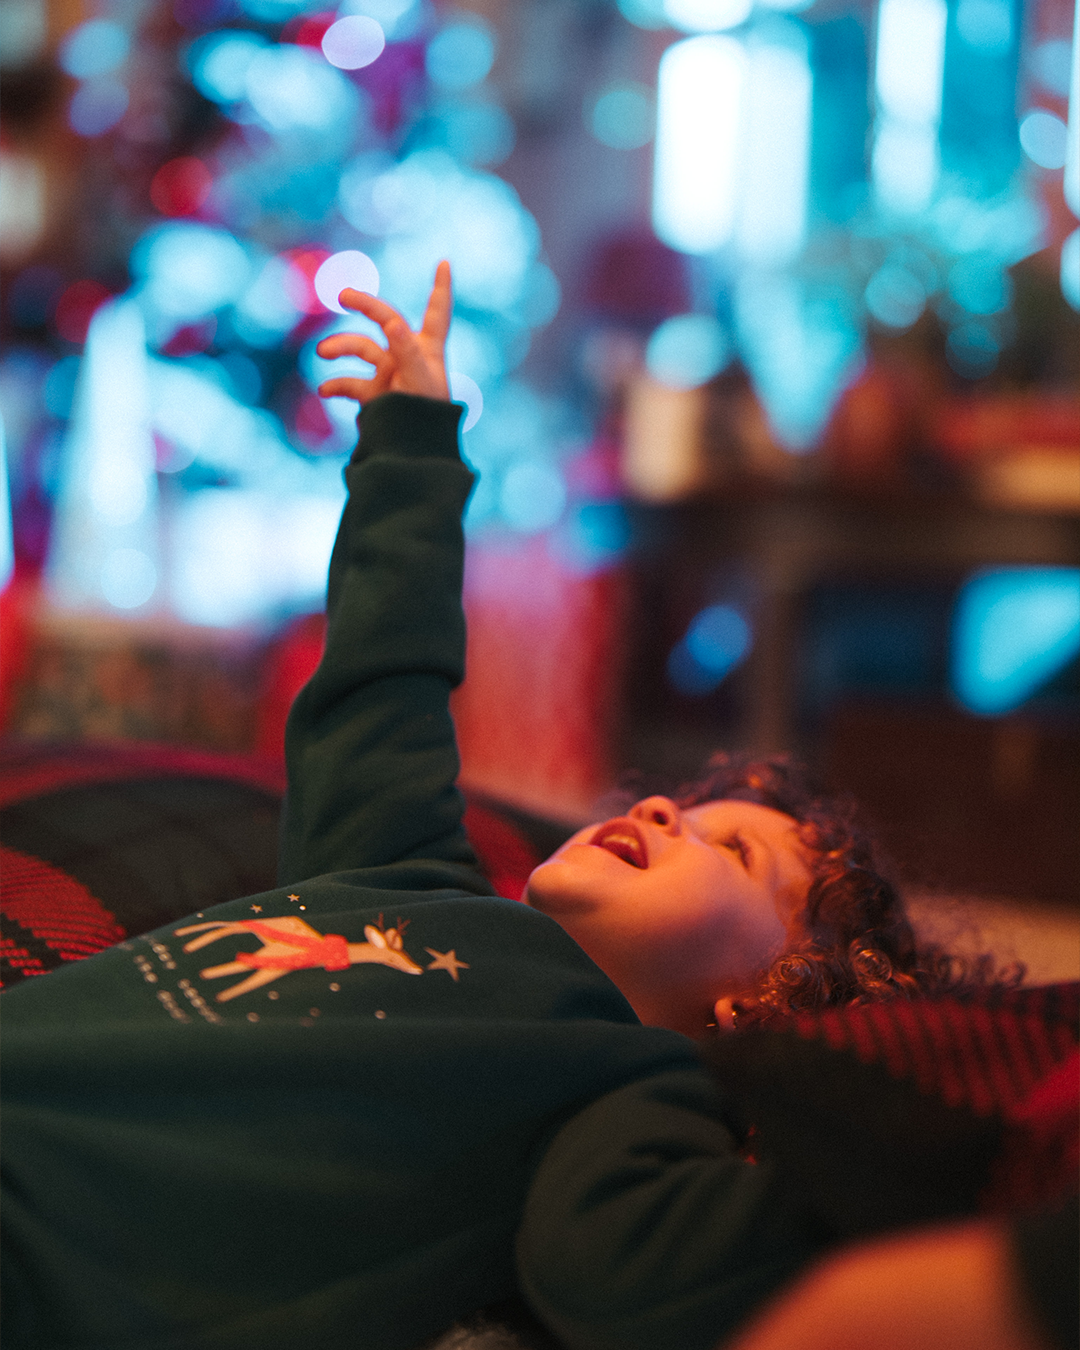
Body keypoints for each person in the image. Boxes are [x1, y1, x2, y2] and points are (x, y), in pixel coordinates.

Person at [0, 263, 952, 1350]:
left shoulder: (632, 1091)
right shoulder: (408, 873)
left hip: (62, 1272)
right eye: (682, 806)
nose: (660, 812)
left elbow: (627, 1271)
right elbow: (382, 691)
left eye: (730, 849)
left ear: (759, 1001)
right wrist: (409, 443)